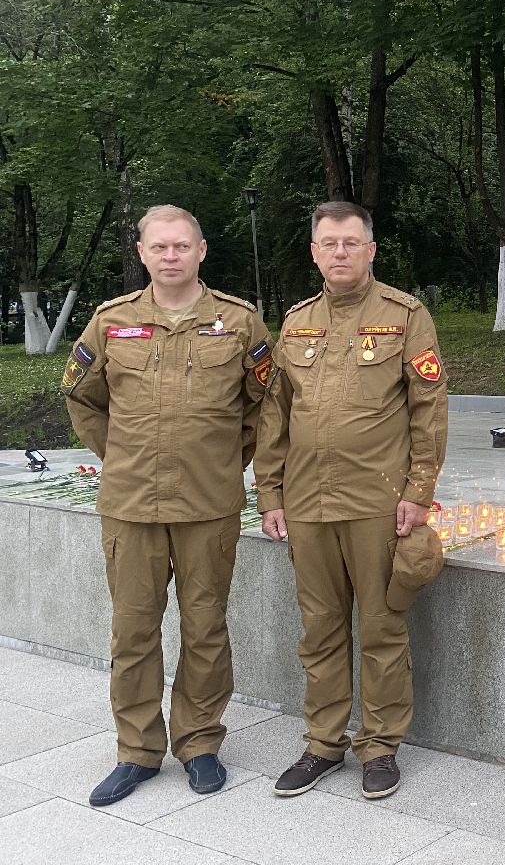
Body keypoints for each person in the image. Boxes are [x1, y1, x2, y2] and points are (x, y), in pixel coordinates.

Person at [62, 204, 271, 807]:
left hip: (209, 506)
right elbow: (81, 396)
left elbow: (264, 404)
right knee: (133, 631)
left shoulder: (239, 323)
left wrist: (229, 462)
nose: (172, 256)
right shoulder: (111, 323)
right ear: (143, 253)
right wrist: (123, 453)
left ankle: (200, 742)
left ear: (201, 250)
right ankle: (136, 750)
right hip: (131, 505)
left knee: (205, 627)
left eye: (182, 246)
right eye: (160, 247)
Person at [255, 201, 447, 800]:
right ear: (314, 253)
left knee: (382, 625)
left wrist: (419, 492)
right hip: (307, 504)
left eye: (351, 242)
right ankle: (322, 743)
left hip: (376, 503)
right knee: (319, 629)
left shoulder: (405, 316)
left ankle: (381, 745)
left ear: (370, 249)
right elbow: (274, 414)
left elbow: (429, 408)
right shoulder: (295, 322)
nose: (339, 252)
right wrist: (270, 495)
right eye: (328, 243)